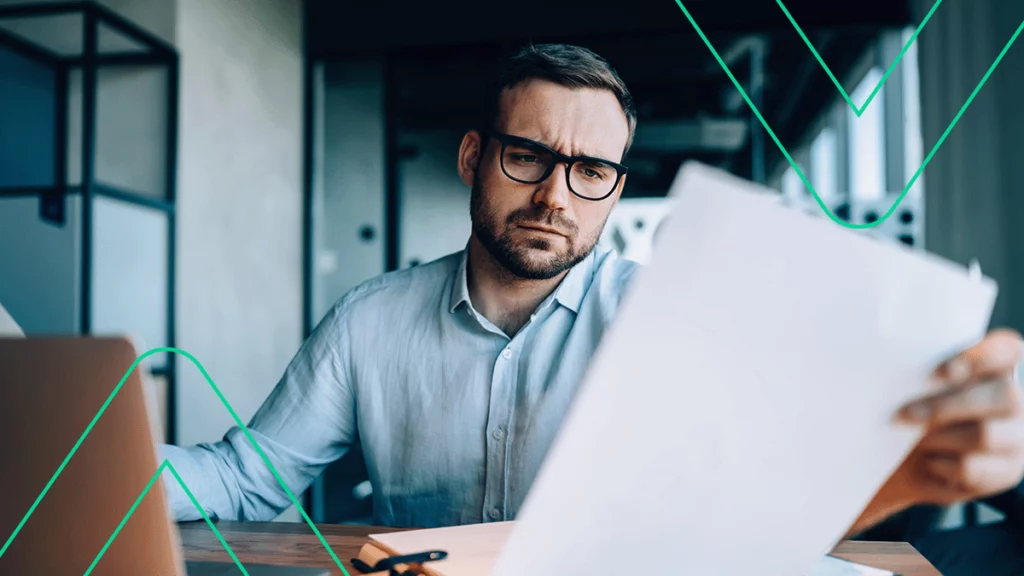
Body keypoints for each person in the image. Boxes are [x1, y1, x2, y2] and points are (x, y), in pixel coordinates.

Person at [160, 43, 1024, 537]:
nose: (553, 197)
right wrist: (69, 454)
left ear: (616, 187)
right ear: (473, 158)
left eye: (591, 171)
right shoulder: (367, 324)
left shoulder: (672, 321)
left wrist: (949, 437)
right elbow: (240, 482)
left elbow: (780, 487)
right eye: (527, 156)